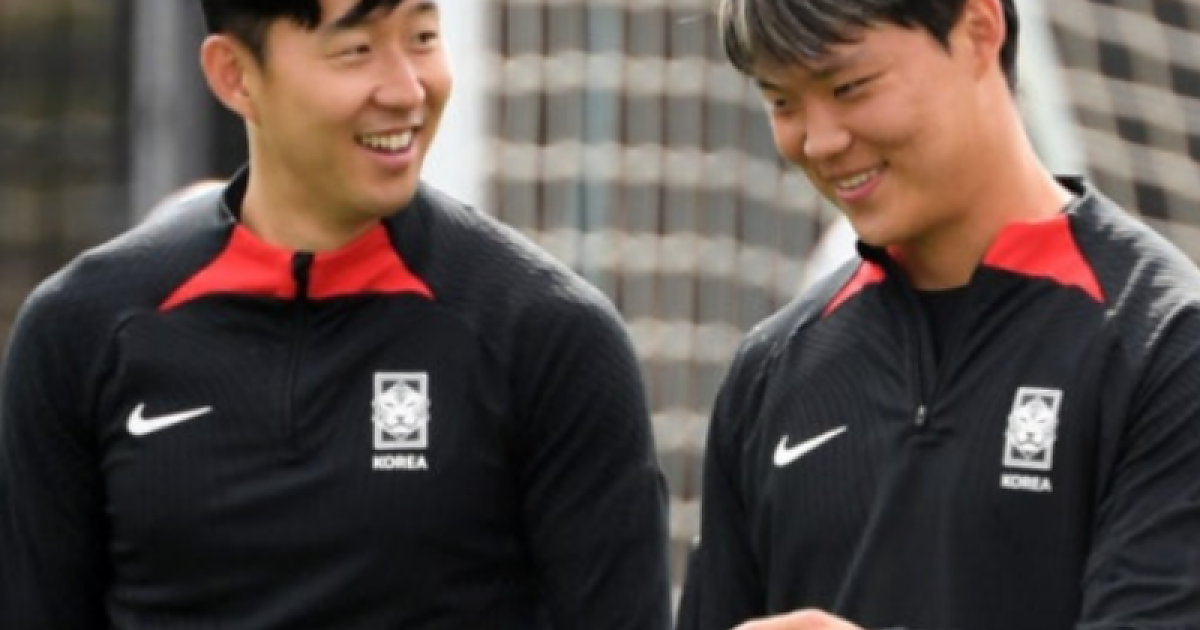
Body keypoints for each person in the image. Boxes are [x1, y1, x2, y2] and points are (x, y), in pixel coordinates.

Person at [0, 1, 671, 628]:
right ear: (234, 75)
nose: (406, 89)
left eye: (422, 38)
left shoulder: (550, 336)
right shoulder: (80, 331)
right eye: (356, 50)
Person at [677, 0, 1200, 629]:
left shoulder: (1167, 343)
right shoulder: (769, 372)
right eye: (782, 102)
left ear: (979, 30)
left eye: (849, 87)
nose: (820, 141)